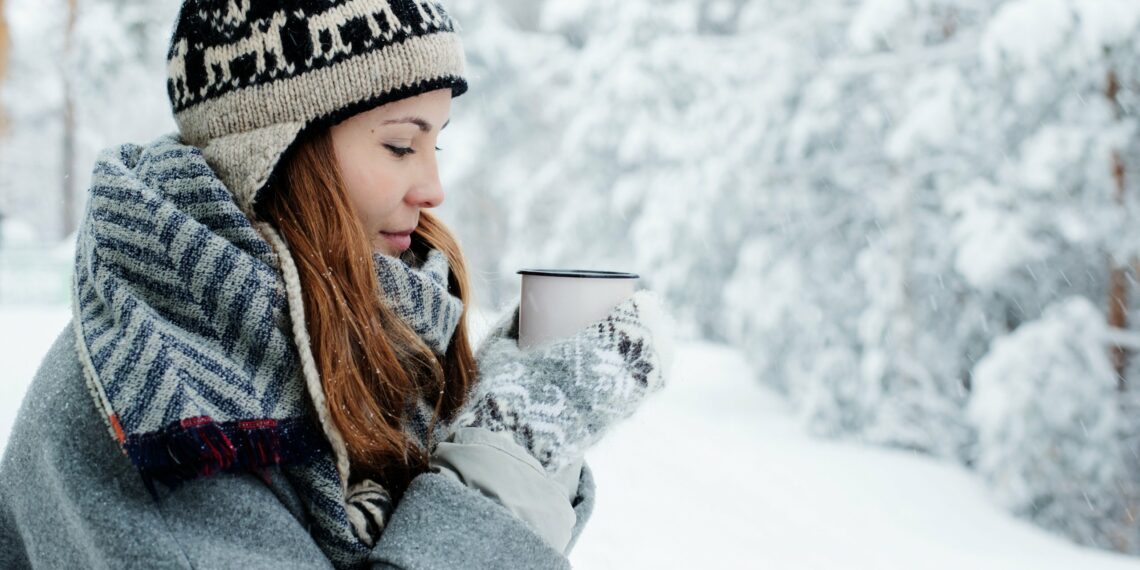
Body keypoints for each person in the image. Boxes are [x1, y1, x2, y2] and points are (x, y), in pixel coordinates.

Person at [0, 1, 674, 568]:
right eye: (400, 145)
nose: (433, 187)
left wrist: (507, 426)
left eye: (437, 144)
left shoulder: (341, 335)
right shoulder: (171, 416)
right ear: (273, 149)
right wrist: (508, 460)